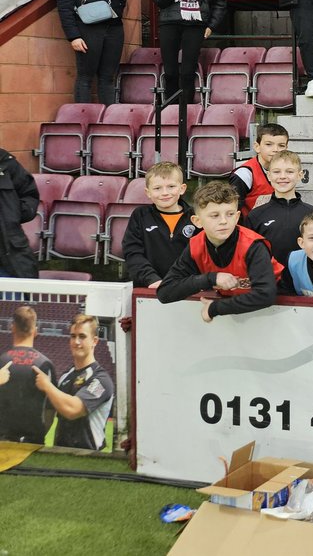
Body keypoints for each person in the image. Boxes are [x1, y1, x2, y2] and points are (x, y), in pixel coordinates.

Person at [156, 180, 282, 322]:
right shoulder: (196, 246)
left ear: (237, 217)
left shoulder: (253, 246)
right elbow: (165, 292)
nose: (223, 221)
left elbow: (265, 295)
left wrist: (214, 308)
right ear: (197, 221)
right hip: (240, 312)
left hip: (280, 312)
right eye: (215, 215)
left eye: (229, 214)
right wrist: (211, 279)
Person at [55, 0, 127, 105]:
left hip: (113, 28)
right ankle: (83, 119)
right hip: (88, 29)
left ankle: (108, 120)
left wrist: (114, 13)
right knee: (85, 76)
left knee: (108, 77)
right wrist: (74, 36)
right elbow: (64, 7)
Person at [34, 315, 114, 450]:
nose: (76, 342)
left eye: (82, 336)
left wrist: (47, 386)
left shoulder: (101, 380)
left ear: (94, 341)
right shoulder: (66, 376)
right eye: (73, 336)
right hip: (59, 455)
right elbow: (53, 418)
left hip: (88, 457)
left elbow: (73, 410)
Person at [122, 161, 196, 290]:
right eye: (157, 188)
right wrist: (151, 279)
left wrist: (193, 283)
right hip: (149, 288)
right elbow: (132, 252)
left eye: (171, 186)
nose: (165, 193)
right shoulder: (140, 216)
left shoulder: (196, 218)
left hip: (187, 288)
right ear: (148, 192)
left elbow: (202, 255)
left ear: (182, 189)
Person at [0, 306, 55, 443]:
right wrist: (40, 434)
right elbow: (50, 409)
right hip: (33, 442)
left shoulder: (2, 361)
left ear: (12, 327)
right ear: (35, 331)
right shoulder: (46, 365)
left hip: (3, 442)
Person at [245, 150, 309, 264]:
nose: (283, 176)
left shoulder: (312, 214)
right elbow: (248, 253)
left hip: (303, 279)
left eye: (289, 171)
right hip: (269, 278)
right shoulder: (255, 216)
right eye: (276, 172)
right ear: (269, 175)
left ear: (300, 175)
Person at [231, 123, 289, 217]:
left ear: (286, 148)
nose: (276, 149)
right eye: (269, 144)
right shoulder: (245, 174)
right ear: (257, 147)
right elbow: (232, 209)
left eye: (281, 145)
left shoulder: (288, 172)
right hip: (251, 227)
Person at [0, 147, 38, 279]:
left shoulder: (5, 161)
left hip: (11, 251)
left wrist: (12, 215)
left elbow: (30, 194)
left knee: (18, 298)